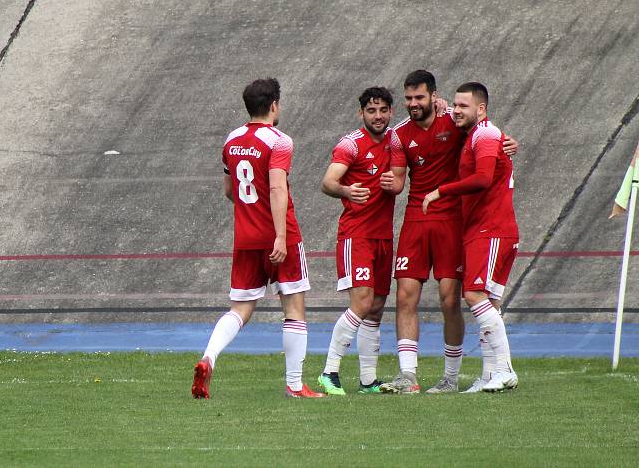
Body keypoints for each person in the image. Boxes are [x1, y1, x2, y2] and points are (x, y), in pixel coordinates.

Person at [379, 70, 517, 395]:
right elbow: (399, 180)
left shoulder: (455, 124)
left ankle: (450, 377)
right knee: (405, 295)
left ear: (432, 96)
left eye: (419, 98)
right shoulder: (400, 135)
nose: (413, 104)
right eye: (409, 98)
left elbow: (485, 135)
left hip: (453, 219)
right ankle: (408, 376)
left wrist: (507, 141)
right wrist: (389, 183)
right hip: (416, 217)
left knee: (450, 299)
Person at [192, 78, 324, 399]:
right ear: (274, 105)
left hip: (246, 238)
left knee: (240, 309)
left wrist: (251, 213)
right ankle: (294, 385)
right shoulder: (279, 141)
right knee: (293, 308)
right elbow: (278, 187)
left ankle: (209, 357)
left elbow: (229, 190)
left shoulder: (232, 140)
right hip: (282, 237)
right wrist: (279, 235)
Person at [422, 81, 520, 393]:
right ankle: (490, 374)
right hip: (486, 229)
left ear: (481, 108)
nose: (458, 110)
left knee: (474, 296)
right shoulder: (480, 133)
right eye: (456, 104)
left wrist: (441, 190)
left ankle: (504, 369)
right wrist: (442, 106)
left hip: (491, 230)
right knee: (487, 300)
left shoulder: (487, 134)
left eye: (464, 106)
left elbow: (482, 179)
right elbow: (452, 114)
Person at [316, 87, 400, 395]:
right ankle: (329, 372)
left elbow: (428, 119)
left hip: (383, 236)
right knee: (362, 302)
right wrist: (348, 191)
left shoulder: (395, 139)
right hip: (357, 234)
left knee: (376, 307)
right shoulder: (351, 145)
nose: (377, 116)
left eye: (382, 111)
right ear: (360, 113)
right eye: (371, 111)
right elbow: (327, 182)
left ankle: (367, 380)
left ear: (391, 111)